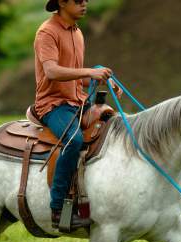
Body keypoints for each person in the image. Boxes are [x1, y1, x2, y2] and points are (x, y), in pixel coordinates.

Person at [34, 0, 120, 230]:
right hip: (53, 105)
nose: (85, 4)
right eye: (79, 0)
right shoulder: (47, 32)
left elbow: (76, 77)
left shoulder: (78, 33)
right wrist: (91, 71)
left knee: (111, 130)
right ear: (62, 3)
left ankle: (95, 202)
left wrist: (102, 80)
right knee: (74, 141)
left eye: (86, 0)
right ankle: (58, 208)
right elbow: (52, 71)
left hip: (78, 102)